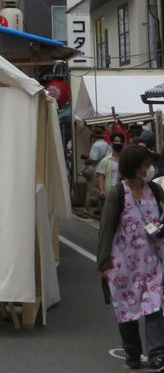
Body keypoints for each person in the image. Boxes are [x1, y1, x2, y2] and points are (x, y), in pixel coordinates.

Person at [97, 144, 164, 370]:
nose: (150, 168)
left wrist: (160, 226)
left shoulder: (154, 191)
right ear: (135, 168)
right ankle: (132, 354)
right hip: (123, 263)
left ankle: (157, 354)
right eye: (146, 165)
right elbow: (106, 228)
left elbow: (162, 216)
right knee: (128, 311)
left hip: (153, 261)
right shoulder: (118, 193)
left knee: (155, 307)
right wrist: (104, 263)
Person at [82, 127, 111, 216]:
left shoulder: (96, 145)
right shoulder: (107, 145)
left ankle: (85, 211)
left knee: (91, 192)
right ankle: (101, 210)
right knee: (102, 190)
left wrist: (86, 161)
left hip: (96, 170)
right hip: (104, 170)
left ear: (94, 136)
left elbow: (93, 159)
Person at [96, 132, 125, 200]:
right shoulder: (105, 161)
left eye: (120, 141)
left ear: (123, 143)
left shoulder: (126, 160)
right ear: (111, 143)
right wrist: (102, 190)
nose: (118, 143)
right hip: (111, 190)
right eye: (116, 141)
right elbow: (101, 177)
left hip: (124, 190)